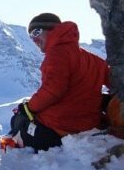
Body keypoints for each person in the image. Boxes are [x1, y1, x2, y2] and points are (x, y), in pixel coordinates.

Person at [10, 12, 110, 152]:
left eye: (36, 32)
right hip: (89, 125)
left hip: (58, 129)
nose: (34, 39)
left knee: (17, 121)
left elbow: (53, 90)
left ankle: (17, 144)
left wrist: (28, 108)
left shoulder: (56, 55)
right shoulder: (92, 59)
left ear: (53, 29)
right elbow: (115, 83)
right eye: (31, 36)